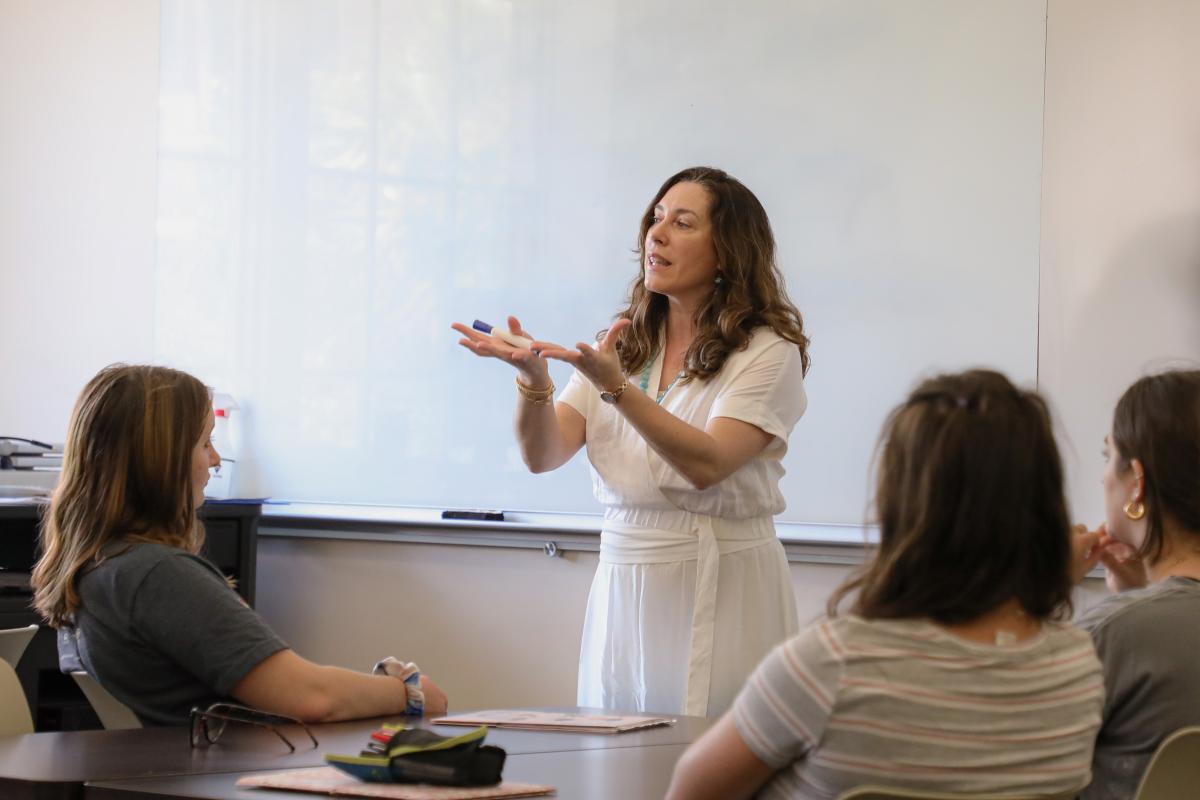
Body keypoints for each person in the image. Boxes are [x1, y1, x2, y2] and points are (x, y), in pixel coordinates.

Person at [453, 166, 810, 717]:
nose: (657, 234)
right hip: (626, 578)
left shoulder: (767, 351)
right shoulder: (623, 342)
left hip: (723, 577)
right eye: (655, 218)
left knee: (712, 759)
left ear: (728, 252)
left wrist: (613, 385)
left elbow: (707, 463)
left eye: (683, 223)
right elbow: (543, 454)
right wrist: (533, 378)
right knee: (617, 754)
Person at [665, 370, 1105, 800]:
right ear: (1045, 504)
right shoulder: (1076, 667)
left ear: (905, 503)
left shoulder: (833, 665)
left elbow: (689, 792)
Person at [31, 364, 448, 726]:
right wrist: (409, 693)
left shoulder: (102, 566)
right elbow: (309, 697)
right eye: (204, 443)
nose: (215, 460)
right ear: (161, 460)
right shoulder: (157, 574)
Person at [1071, 370, 1200, 800]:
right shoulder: (1128, 624)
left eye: (1108, 457)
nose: (1103, 477)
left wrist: (1039, 594)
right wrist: (1141, 588)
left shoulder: (1110, 635)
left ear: (1137, 483)